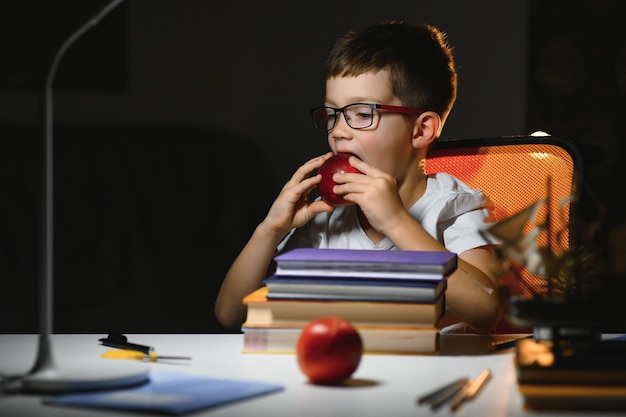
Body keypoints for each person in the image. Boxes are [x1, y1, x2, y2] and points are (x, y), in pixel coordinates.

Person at [215, 20, 502, 333]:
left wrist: (395, 222)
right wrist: (270, 229)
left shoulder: (455, 208)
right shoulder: (328, 219)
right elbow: (231, 314)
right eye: (331, 114)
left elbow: (486, 311)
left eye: (362, 114)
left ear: (421, 129)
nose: (338, 132)